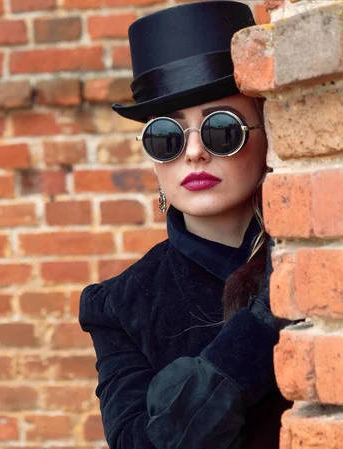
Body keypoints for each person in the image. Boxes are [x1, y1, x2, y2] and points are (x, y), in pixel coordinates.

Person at [78, 2, 296, 448]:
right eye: (167, 137)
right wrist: (261, 324)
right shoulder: (120, 305)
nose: (194, 153)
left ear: (266, 132)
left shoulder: (322, 254)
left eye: (221, 129)